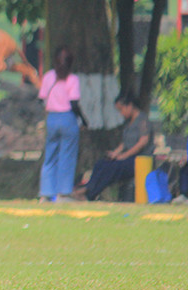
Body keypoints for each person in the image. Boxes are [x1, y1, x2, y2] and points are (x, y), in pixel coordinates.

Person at [73, 91, 153, 201]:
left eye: (121, 110)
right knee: (101, 164)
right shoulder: (129, 122)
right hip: (127, 157)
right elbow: (125, 143)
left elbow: (142, 142)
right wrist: (115, 153)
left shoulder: (142, 120)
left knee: (113, 168)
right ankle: (87, 188)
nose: (121, 113)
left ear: (129, 106)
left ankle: (88, 194)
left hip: (138, 159)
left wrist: (124, 155)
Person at [37, 45, 87, 203]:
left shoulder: (48, 77)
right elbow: (74, 104)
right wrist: (84, 120)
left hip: (52, 118)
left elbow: (41, 98)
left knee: (50, 156)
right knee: (67, 156)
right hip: (67, 118)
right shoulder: (72, 79)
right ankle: (62, 193)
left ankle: (45, 193)